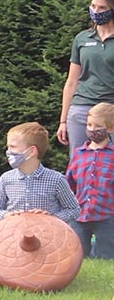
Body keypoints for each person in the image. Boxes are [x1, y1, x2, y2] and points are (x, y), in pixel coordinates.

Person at [0, 122, 80, 279]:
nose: (8, 152)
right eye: (8, 147)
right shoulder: (6, 179)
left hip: (47, 242)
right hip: (12, 240)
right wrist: (5, 216)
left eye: (13, 147)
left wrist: (52, 219)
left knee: (44, 278)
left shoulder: (56, 180)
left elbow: (74, 209)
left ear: (31, 151)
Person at [57, 0, 114, 158]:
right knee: (79, 161)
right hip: (81, 108)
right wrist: (63, 120)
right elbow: (72, 82)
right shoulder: (82, 38)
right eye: (93, 6)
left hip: (110, 109)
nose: (96, 11)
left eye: (102, 7)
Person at [65, 103, 114, 259]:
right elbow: (70, 183)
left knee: (106, 256)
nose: (92, 129)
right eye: (89, 125)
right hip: (79, 215)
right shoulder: (78, 154)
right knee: (77, 255)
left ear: (110, 128)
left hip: (106, 215)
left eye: (98, 126)